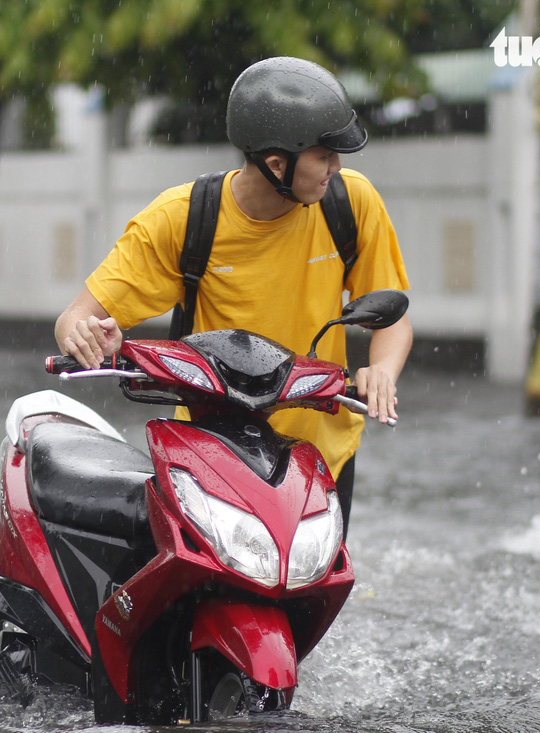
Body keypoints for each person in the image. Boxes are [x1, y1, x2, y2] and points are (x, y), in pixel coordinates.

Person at [55, 56, 413, 535]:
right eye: (324, 154)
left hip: (319, 458)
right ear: (275, 163)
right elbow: (75, 318)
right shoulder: (182, 219)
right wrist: (86, 336)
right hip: (208, 455)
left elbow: (390, 318)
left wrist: (382, 372)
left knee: (309, 601)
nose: (336, 166)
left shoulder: (351, 203)